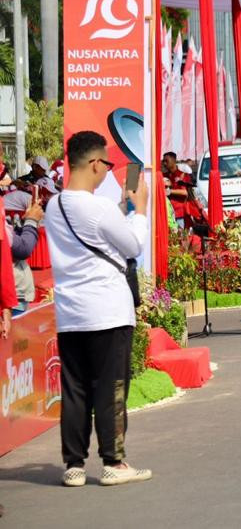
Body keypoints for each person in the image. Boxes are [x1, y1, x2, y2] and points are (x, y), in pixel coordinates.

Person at [44, 131, 151, 487]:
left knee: (75, 390)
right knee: (111, 387)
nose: (107, 170)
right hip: (107, 310)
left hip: (71, 314)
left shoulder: (54, 206)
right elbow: (133, 244)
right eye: (106, 163)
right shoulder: (98, 207)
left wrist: (123, 208)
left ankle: (73, 465)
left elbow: (95, 232)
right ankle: (114, 462)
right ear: (93, 164)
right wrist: (141, 211)